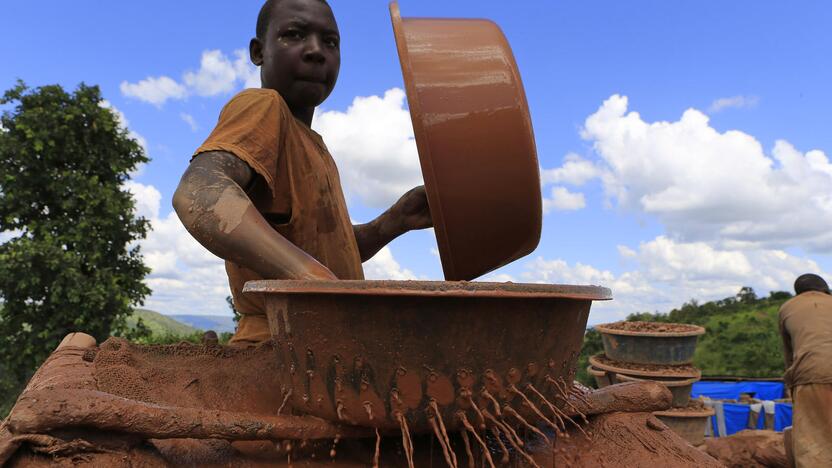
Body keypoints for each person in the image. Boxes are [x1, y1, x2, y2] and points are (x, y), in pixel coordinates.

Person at [173, 0, 431, 346]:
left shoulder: (318, 149)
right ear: (257, 51)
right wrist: (312, 281)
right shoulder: (264, 107)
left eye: (330, 42)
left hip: (327, 345)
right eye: (293, 35)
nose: (316, 51)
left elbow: (323, 254)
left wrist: (393, 222)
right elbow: (199, 192)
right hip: (279, 350)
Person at [778, 273, 832, 467]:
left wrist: (791, 385)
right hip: (814, 372)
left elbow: (789, 355)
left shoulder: (787, 308)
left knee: (813, 443)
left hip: (809, 375)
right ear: (825, 290)